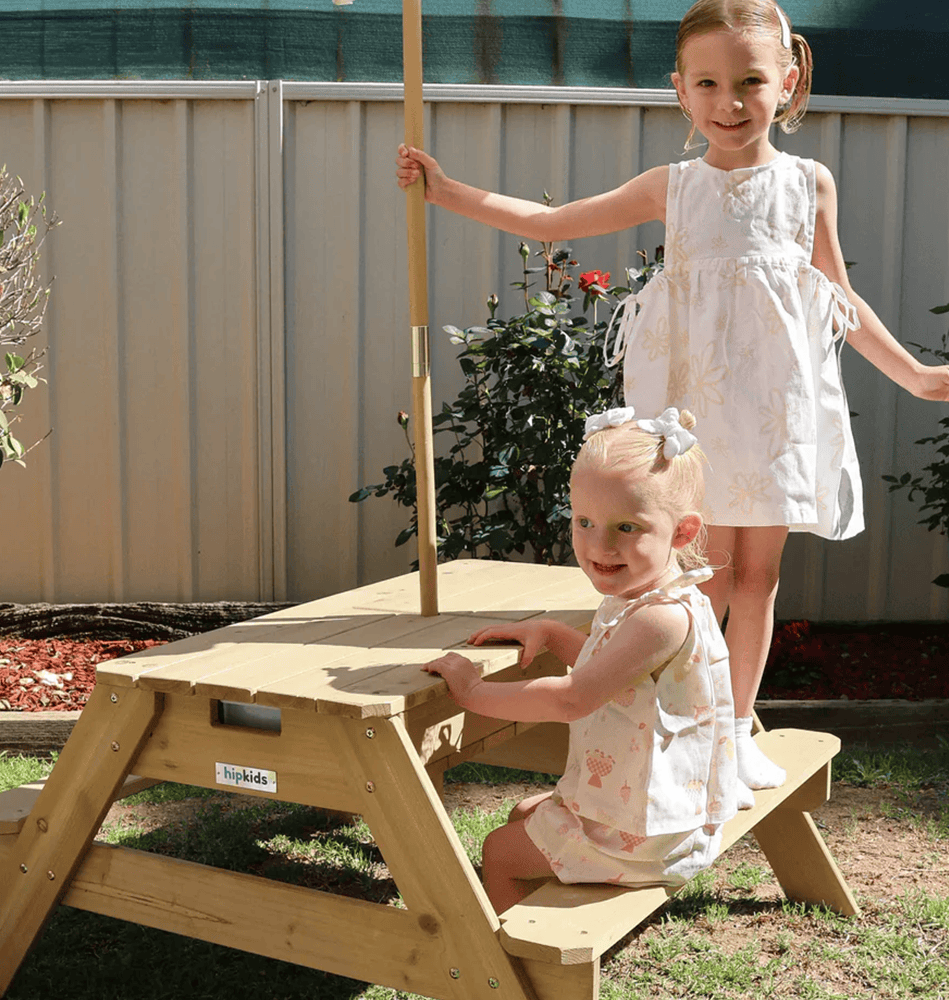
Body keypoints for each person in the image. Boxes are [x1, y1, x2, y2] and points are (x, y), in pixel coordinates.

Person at [398, 0, 949, 796]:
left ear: (787, 83)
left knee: (757, 578)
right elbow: (553, 224)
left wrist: (918, 376)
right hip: (693, 409)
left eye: (751, 81)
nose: (730, 102)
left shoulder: (808, 184)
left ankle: (732, 730)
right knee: (698, 579)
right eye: (709, 83)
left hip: (773, 408)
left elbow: (838, 298)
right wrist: (448, 193)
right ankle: (677, 725)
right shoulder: (675, 186)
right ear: (681, 93)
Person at [422, 407, 739, 914]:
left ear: (682, 532)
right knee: (525, 811)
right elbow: (614, 673)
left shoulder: (660, 619)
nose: (598, 544)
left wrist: (472, 692)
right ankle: (533, 924)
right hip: (654, 815)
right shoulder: (654, 598)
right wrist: (550, 632)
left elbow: (574, 697)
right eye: (585, 521)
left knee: (498, 851)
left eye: (626, 527)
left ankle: (511, 977)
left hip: (652, 840)